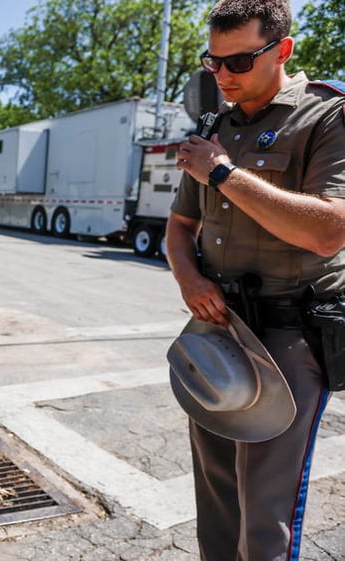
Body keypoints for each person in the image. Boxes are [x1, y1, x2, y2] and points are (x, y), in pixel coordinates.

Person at [166, 1, 345, 559]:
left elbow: (328, 231)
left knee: (264, 514)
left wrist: (222, 171)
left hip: (290, 333)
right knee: (218, 500)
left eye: (239, 61)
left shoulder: (326, 117)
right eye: (213, 62)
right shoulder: (218, 125)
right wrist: (189, 278)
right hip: (220, 329)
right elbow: (178, 227)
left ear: (283, 50)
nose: (222, 76)